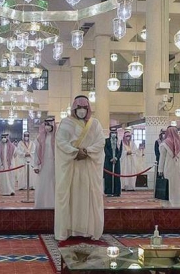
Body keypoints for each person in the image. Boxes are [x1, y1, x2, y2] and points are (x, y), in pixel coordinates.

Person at [55, 95, 105, 241]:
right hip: (72, 166)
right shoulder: (66, 123)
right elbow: (61, 142)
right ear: (74, 109)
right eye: (79, 108)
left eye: (84, 108)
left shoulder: (95, 124)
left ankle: (88, 230)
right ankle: (69, 229)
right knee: (71, 197)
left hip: (88, 167)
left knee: (87, 196)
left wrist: (87, 151)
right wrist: (75, 152)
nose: (82, 111)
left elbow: (100, 142)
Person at [158, 126, 180, 207]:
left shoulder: (164, 144)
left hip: (168, 169)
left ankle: (168, 204)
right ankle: (179, 203)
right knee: (178, 187)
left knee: (169, 187)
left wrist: (160, 170)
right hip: (179, 170)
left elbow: (162, 159)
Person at [34, 117, 56, 208]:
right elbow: (36, 152)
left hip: (55, 164)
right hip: (43, 164)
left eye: (49, 125)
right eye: (46, 125)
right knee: (44, 184)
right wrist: (36, 165)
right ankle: (43, 204)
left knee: (53, 183)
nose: (47, 127)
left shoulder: (57, 137)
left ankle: (53, 204)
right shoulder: (40, 138)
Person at [104, 129, 123, 197]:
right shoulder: (106, 141)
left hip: (116, 161)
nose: (113, 134)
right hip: (109, 161)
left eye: (115, 132)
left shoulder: (119, 141)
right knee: (108, 176)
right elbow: (105, 150)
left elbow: (120, 151)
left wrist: (116, 158)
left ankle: (116, 192)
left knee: (116, 176)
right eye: (112, 132)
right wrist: (110, 158)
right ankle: (109, 191)